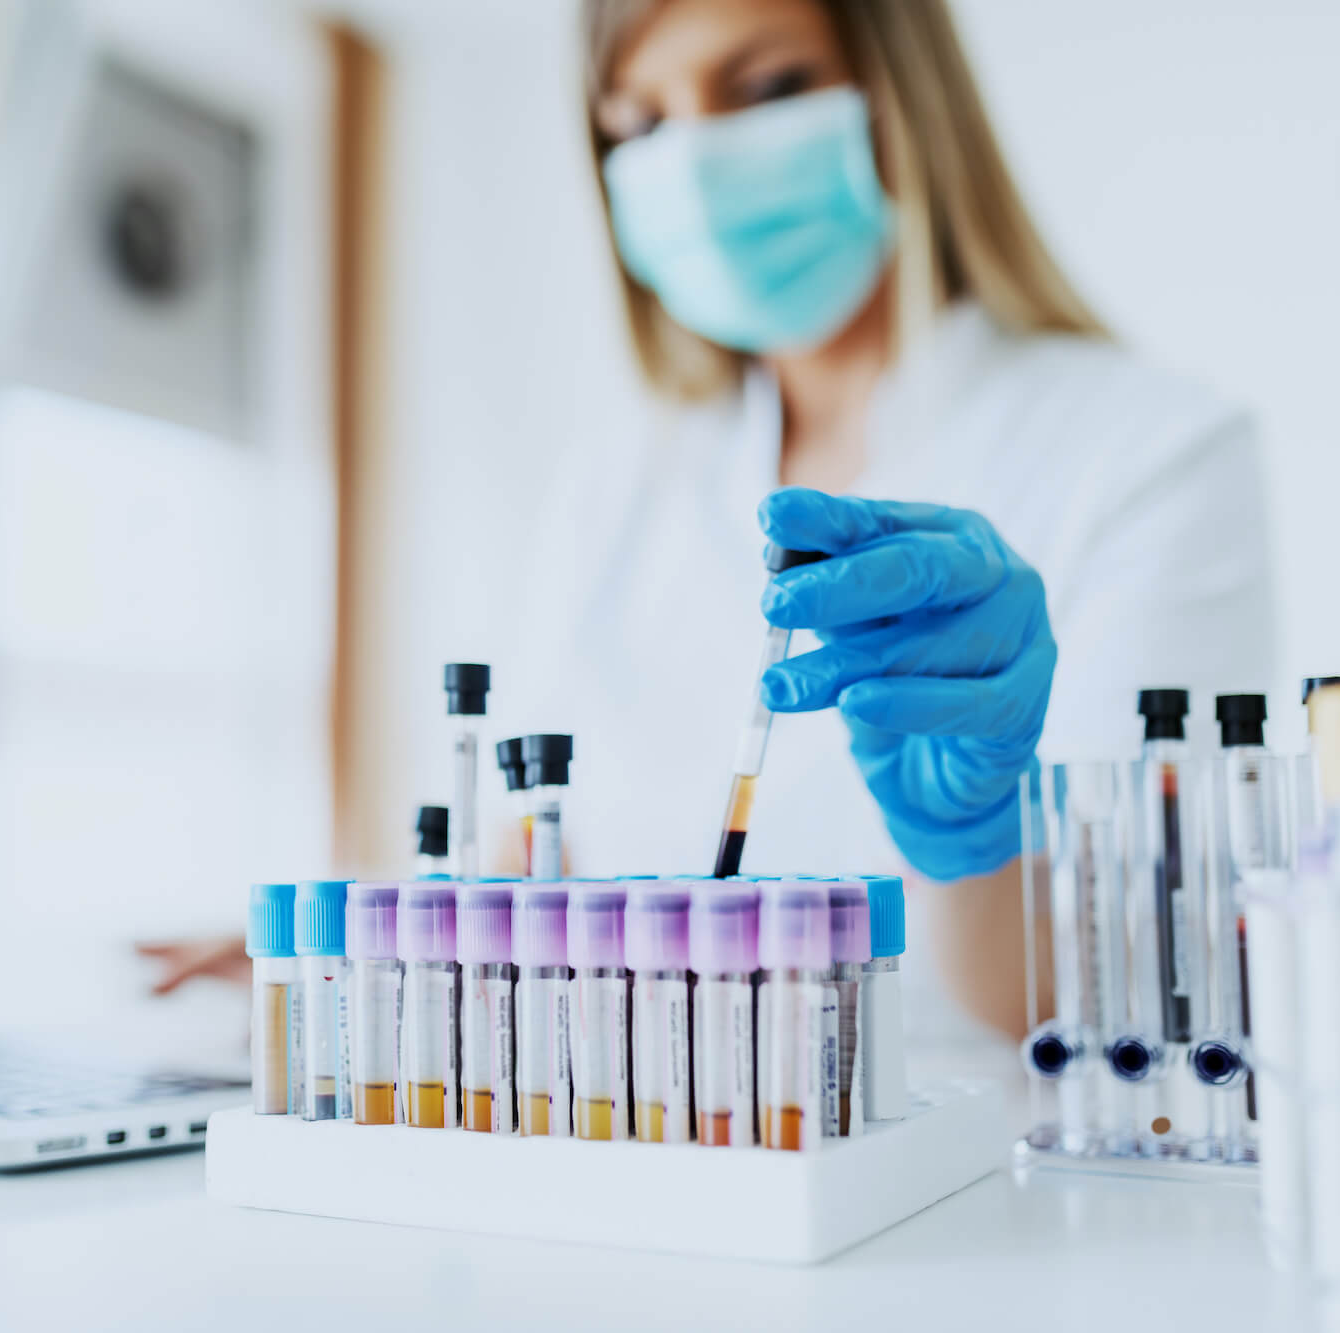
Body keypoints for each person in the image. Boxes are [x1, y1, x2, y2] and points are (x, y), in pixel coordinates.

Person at [142, 0, 1275, 1040]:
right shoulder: (617, 483)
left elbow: (1104, 991)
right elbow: (527, 858)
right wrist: (348, 955)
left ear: (901, 95)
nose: (692, 162)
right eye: (639, 121)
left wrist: (973, 837)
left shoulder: (1149, 452)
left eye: (766, 87)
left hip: (952, 1198)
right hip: (617, 1147)